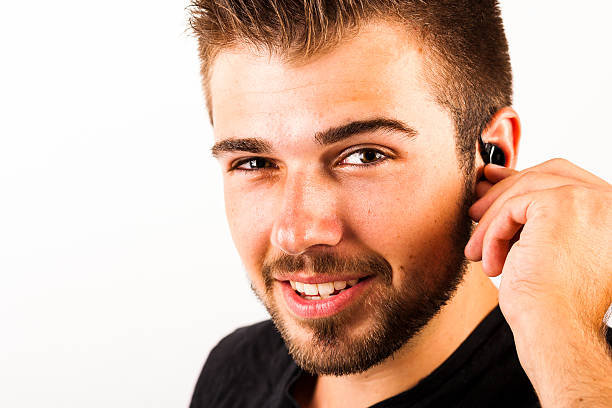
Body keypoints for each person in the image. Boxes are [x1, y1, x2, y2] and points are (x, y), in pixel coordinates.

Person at [187, 1, 612, 406]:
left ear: (491, 153)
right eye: (254, 162)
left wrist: (566, 343)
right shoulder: (233, 368)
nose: (296, 234)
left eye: (365, 155)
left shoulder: (584, 379)